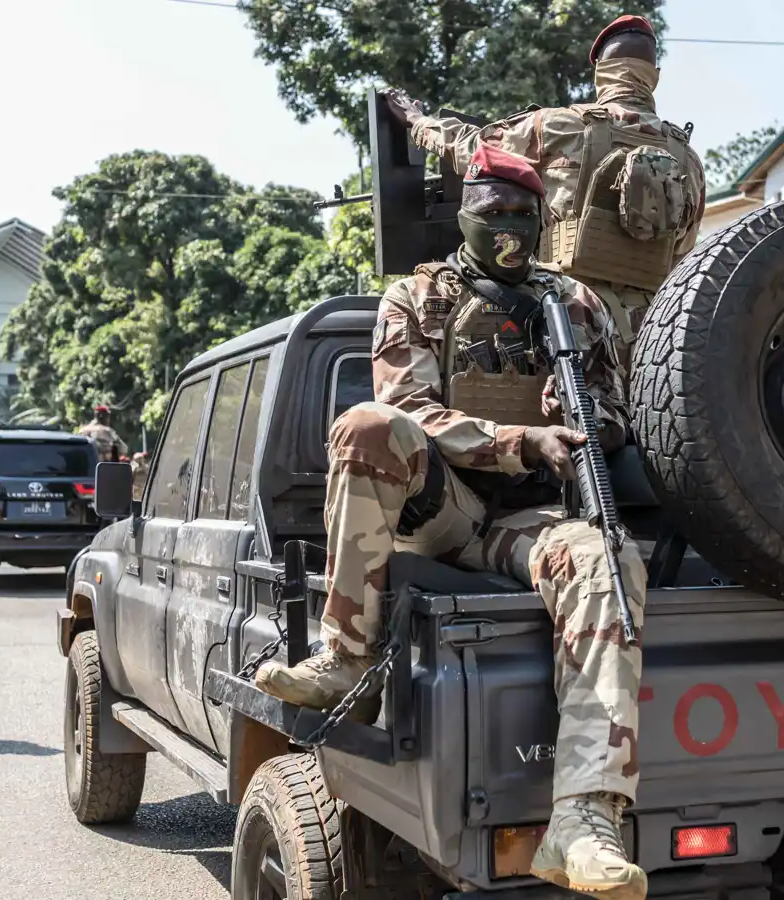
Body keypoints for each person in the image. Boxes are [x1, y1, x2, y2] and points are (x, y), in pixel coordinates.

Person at [253, 145, 646, 900]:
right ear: (464, 214)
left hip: (531, 518)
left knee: (610, 561)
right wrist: (513, 440)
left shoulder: (579, 305)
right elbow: (410, 412)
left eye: (522, 215)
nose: (507, 229)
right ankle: (345, 655)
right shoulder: (418, 298)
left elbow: (621, 414)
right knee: (366, 427)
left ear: (541, 221)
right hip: (443, 508)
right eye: (491, 213)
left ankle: (584, 821)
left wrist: (586, 422)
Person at [386, 14, 706, 361]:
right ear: (653, 77)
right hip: (653, 342)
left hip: (567, 322)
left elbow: (474, 151)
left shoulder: (558, 127)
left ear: (600, 71)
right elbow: (683, 259)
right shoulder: (687, 159)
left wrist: (418, 123)